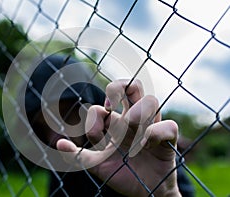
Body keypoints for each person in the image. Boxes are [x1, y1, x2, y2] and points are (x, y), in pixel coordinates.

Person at [25, 55, 194, 196]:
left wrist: (164, 193)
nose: (56, 135)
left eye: (67, 115)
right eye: (44, 123)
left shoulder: (139, 143)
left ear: (89, 104)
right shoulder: (64, 158)